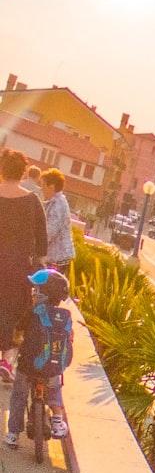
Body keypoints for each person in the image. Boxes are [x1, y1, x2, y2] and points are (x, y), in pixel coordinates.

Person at [5, 269, 72, 446]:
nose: (34, 292)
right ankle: (57, 420)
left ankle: (13, 433)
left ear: (43, 293)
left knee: (19, 396)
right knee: (55, 388)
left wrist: (17, 341)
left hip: (28, 366)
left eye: (37, 289)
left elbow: (19, 330)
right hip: (53, 367)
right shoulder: (64, 316)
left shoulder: (33, 312)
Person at [0, 151, 47, 384]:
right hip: (19, 267)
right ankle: (7, 359)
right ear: (23, 173)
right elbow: (42, 240)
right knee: (13, 311)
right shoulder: (32, 201)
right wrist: (40, 262)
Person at [38, 170, 74, 271]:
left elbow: (49, 232)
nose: (41, 189)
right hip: (57, 257)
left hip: (57, 258)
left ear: (51, 186)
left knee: (49, 285)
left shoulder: (58, 204)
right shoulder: (56, 202)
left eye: (43, 186)